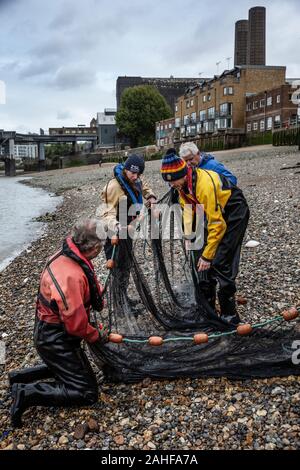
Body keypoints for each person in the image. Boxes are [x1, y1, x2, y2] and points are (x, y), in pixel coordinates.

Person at [9, 219, 109, 428]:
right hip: (54, 337)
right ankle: (26, 393)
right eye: (101, 244)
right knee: (87, 392)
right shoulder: (69, 276)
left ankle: (18, 377)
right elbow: (76, 325)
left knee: (70, 370)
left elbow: (88, 280)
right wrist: (95, 335)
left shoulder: (69, 254)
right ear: (93, 247)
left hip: (52, 330)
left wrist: (97, 297)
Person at [160, 152, 249, 326]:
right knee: (199, 260)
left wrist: (208, 256)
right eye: (168, 182)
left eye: (172, 181)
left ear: (182, 175)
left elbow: (218, 225)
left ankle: (229, 313)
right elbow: (187, 210)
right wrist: (188, 236)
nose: (170, 185)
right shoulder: (182, 186)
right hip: (210, 213)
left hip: (233, 213)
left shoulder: (204, 185)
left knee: (221, 260)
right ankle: (208, 307)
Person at [100, 154, 157, 303]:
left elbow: (143, 187)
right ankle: (119, 304)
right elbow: (106, 212)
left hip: (128, 230)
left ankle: (123, 298)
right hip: (114, 233)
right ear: (125, 169)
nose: (136, 176)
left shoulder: (135, 179)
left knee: (126, 264)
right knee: (117, 266)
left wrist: (150, 196)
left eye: (138, 174)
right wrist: (117, 225)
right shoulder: (113, 187)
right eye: (133, 173)